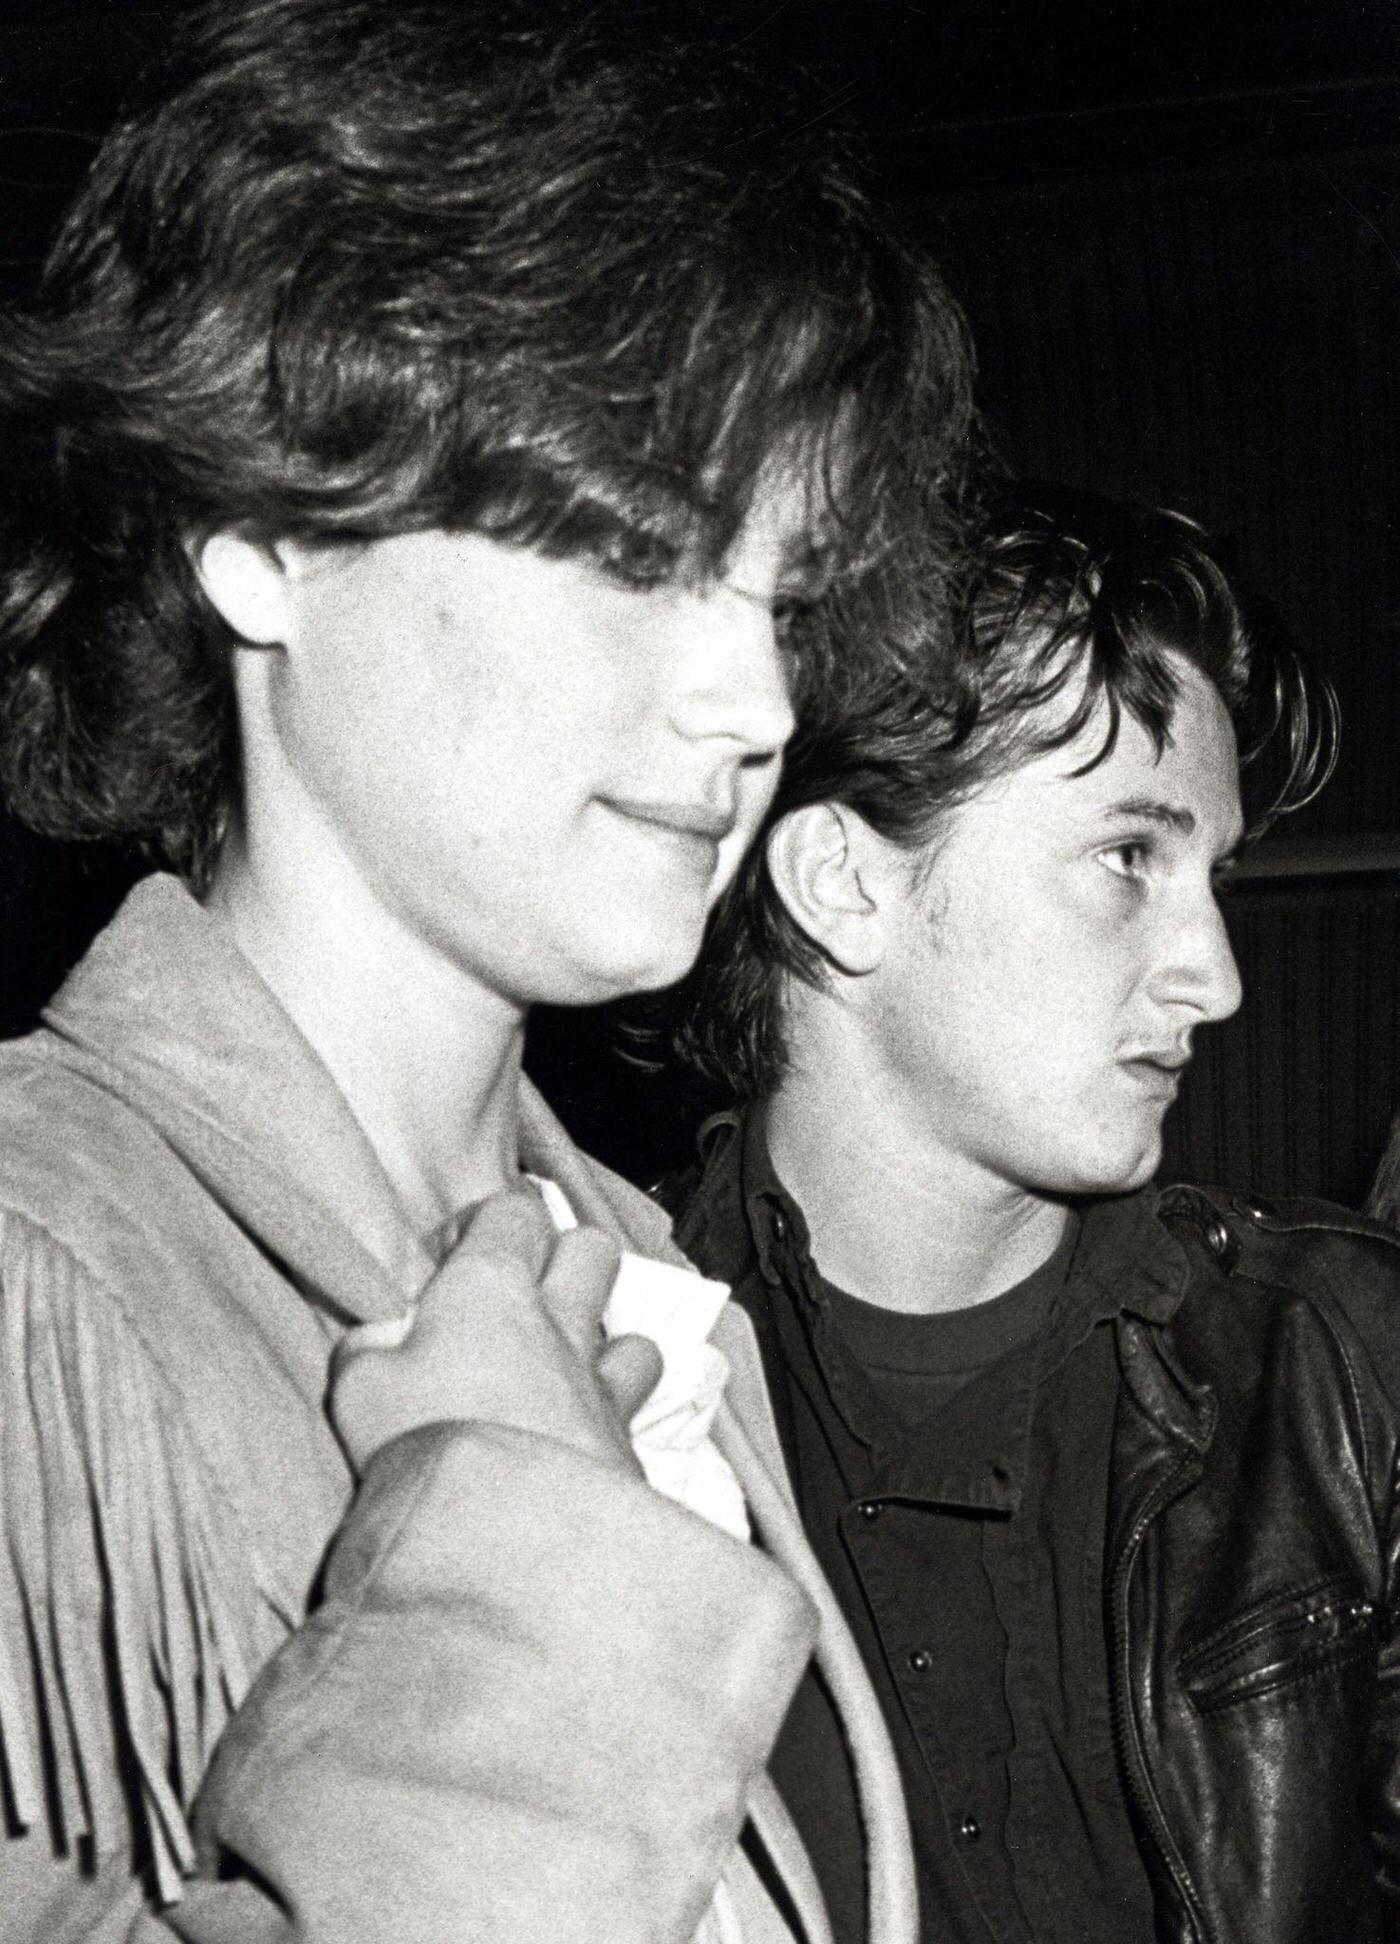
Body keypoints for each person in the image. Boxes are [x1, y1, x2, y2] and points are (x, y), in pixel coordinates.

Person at [0, 2, 975, 1937]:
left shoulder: (640, 1272)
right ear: (264, 536)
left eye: (780, 593)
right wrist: (513, 1576)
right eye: (637, 549)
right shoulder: (41, 1278)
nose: (757, 696)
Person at [663, 485, 1400, 1944]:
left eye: (1216, 877)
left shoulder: (1351, 1359)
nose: (1218, 977)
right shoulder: (607, 1394)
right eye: (1130, 857)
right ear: (841, 886)